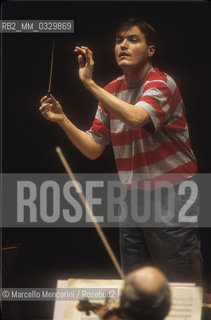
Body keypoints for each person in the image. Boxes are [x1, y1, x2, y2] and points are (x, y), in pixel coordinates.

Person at [39, 18, 202, 283]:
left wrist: (89, 83)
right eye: (118, 40)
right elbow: (93, 148)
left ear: (151, 50)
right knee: (135, 286)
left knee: (178, 284)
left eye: (133, 40)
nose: (123, 45)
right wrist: (62, 120)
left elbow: (137, 117)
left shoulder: (161, 83)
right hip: (131, 197)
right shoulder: (111, 91)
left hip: (172, 195)